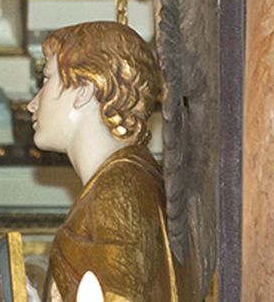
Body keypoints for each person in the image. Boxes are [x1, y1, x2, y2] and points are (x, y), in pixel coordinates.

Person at [27, 22, 178, 302]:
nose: (32, 104)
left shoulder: (120, 189)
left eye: (46, 79)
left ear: (85, 88)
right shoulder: (126, 181)